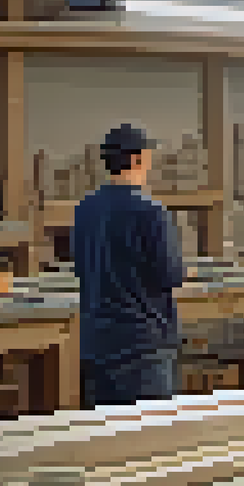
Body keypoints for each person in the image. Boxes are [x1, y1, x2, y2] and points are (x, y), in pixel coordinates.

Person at [72, 123, 185, 406]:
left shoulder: (86, 208)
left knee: (104, 437)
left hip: (96, 342)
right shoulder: (150, 211)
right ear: (137, 159)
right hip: (141, 346)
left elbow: (82, 263)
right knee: (152, 439)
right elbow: (169, 274)